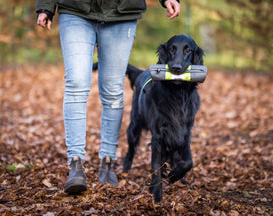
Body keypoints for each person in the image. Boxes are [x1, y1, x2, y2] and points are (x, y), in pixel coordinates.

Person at [36, 0, 180, 194]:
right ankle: (76, 164)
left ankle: (107, 162)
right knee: (76, 83)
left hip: (121, 12)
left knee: (112, 89)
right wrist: (46, 6)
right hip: (75, 9)